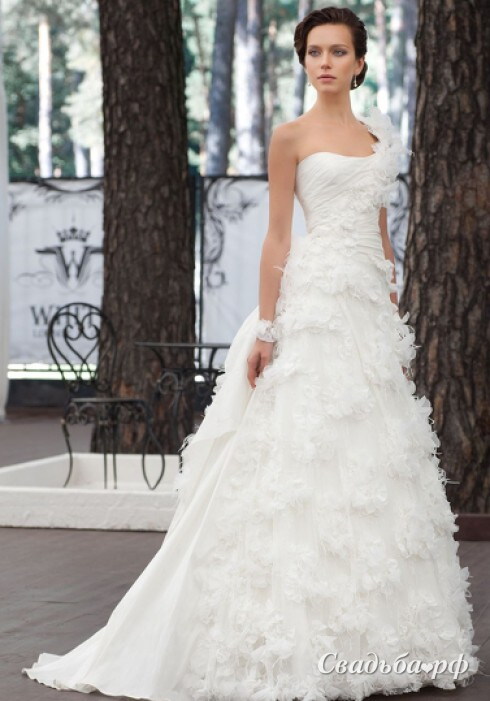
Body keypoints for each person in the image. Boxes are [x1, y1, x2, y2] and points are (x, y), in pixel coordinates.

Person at [22, 6, 481, 701]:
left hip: (366, 312)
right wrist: (268, 328)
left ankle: (376, 635)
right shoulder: (290, 136)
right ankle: (289, 633)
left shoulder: (379, 136)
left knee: (373, 459)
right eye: (314, 52)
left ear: (360, 62)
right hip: (311, 305)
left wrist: (394, 320)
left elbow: (384, 236)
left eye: (338, 51)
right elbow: (277, 237)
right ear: (303, 62)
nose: (324, 62)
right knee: (300, 452)